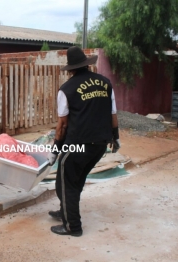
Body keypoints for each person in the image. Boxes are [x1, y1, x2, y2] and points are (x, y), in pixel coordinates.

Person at [46, 46, 120, 237]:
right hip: (100, 144)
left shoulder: (66, 90)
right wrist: (116, 137)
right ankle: (66, 212)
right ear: (86, 65)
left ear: (70, 68)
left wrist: (55, 150)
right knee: (75, 180)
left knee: (65, 181)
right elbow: (113, 113)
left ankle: (73, 227)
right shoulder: (105, 83)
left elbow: (62, 125)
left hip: (78, 144)